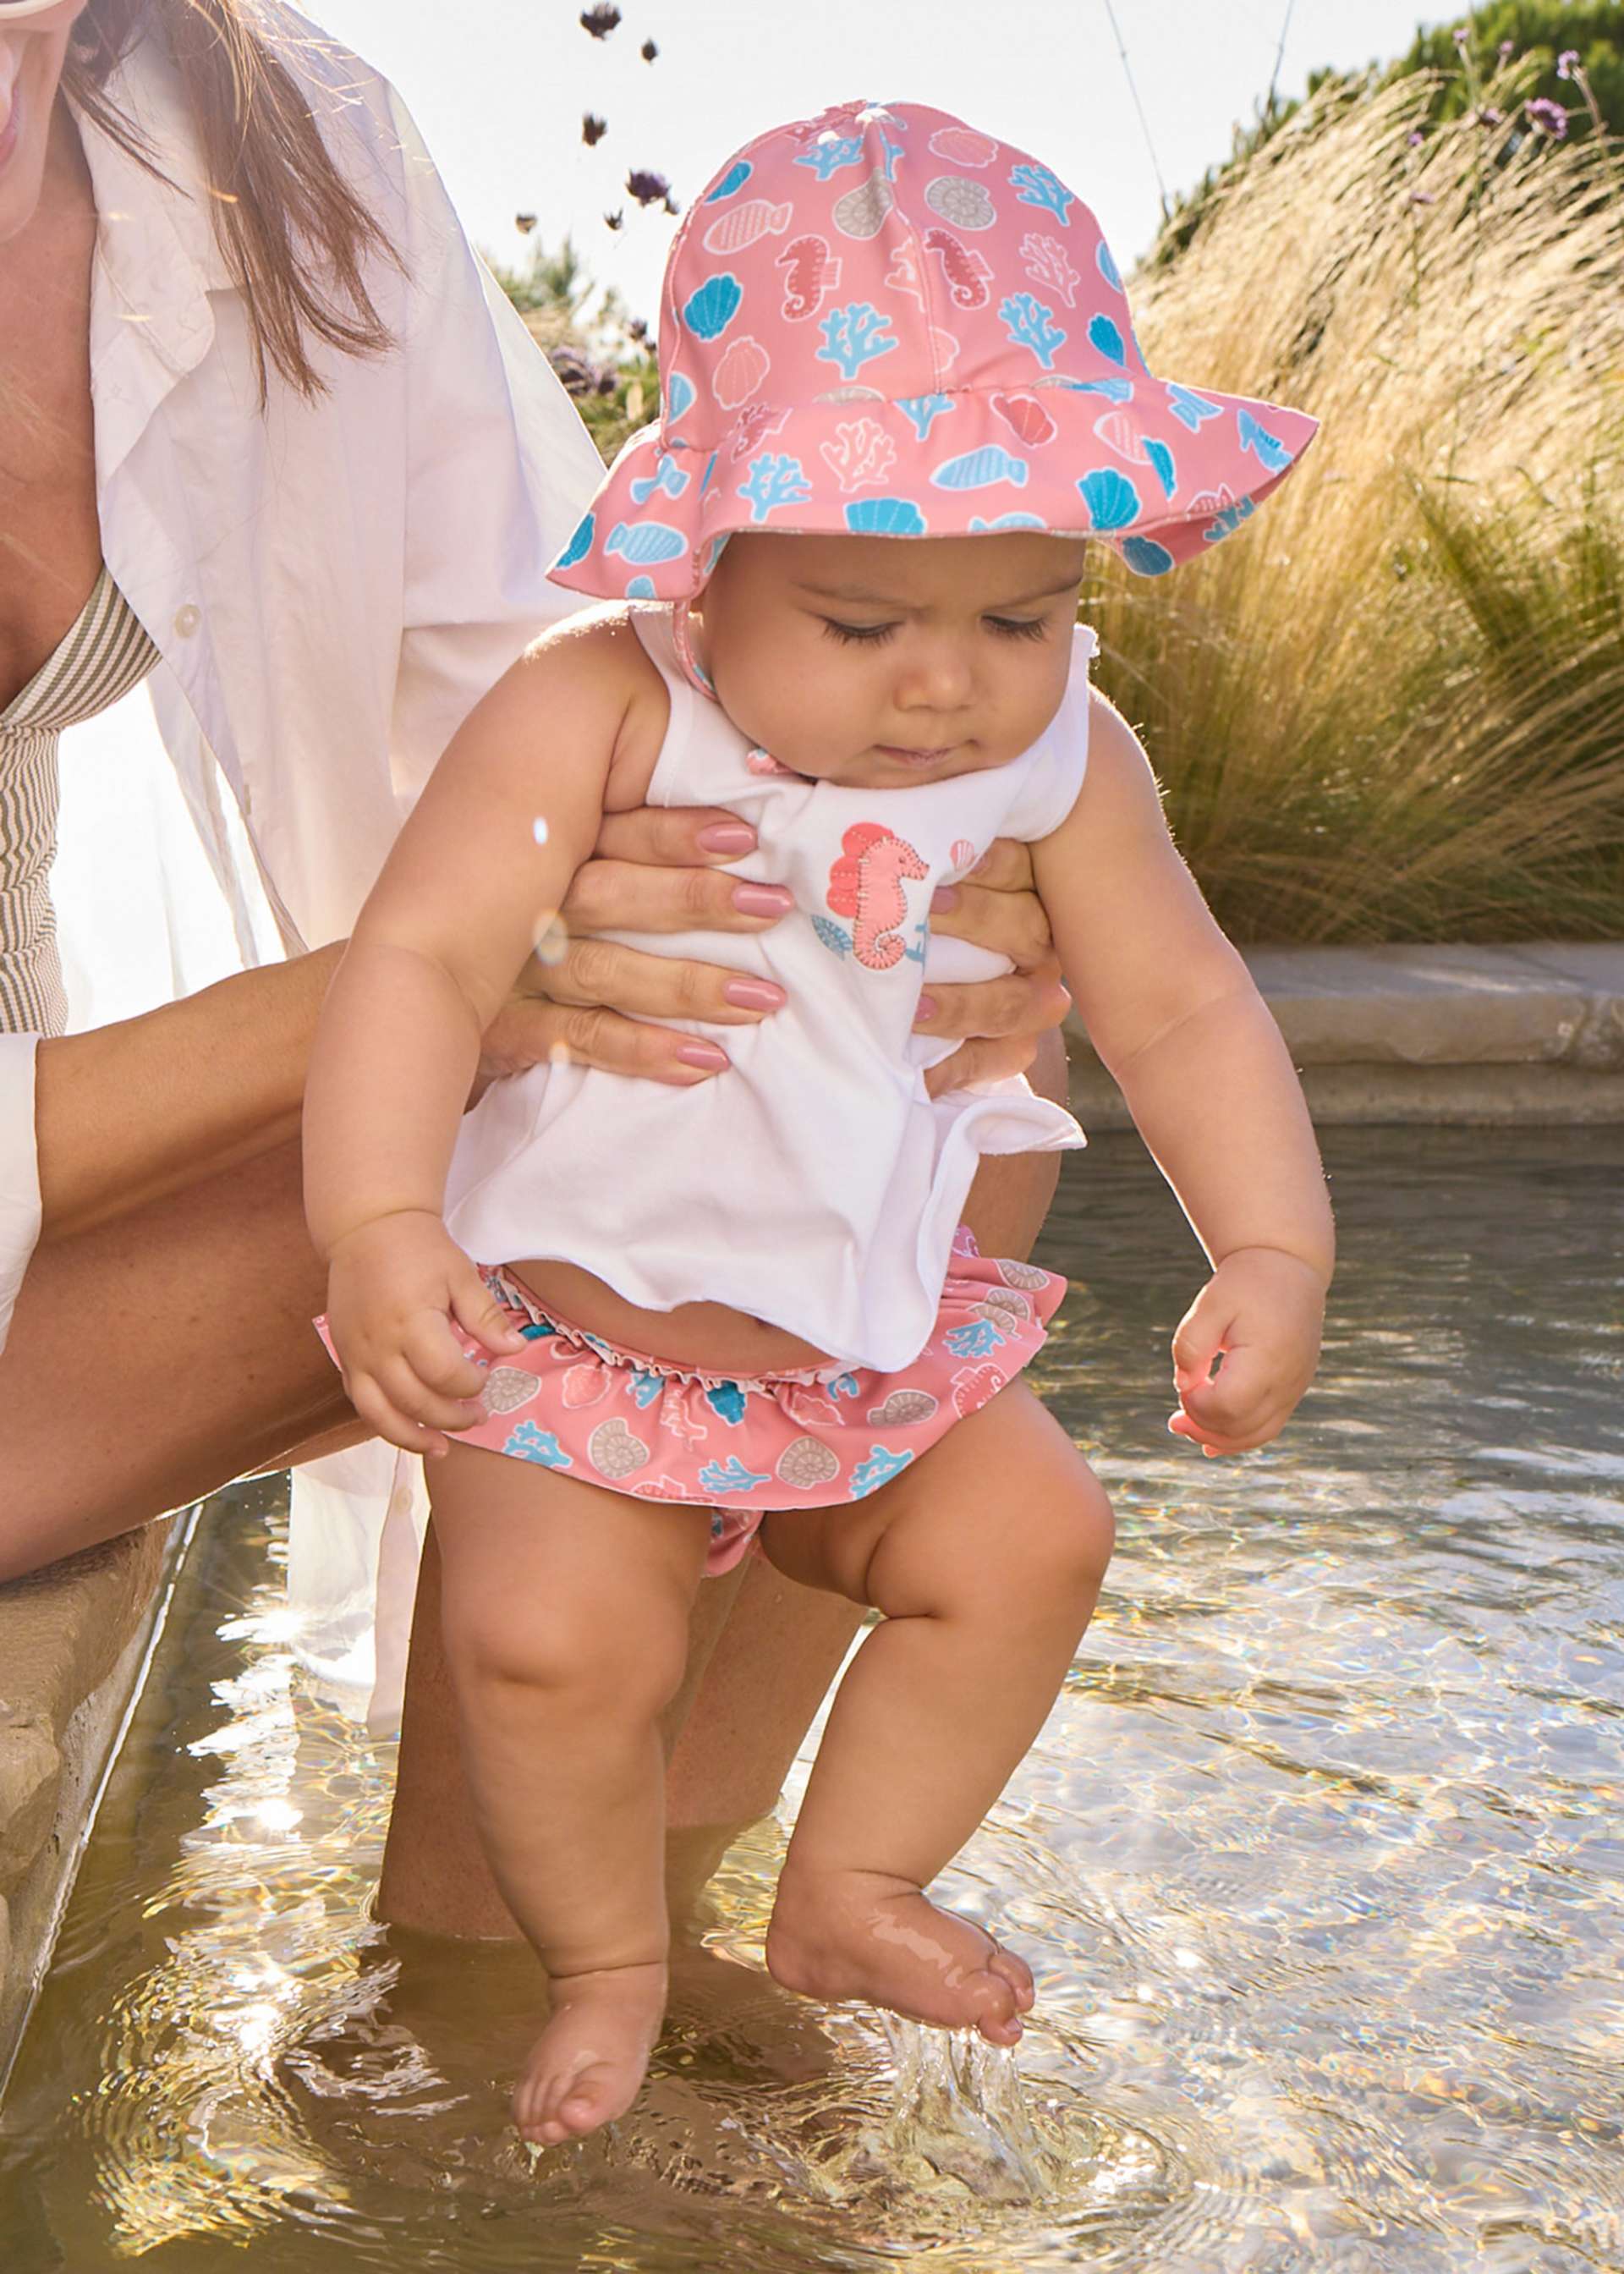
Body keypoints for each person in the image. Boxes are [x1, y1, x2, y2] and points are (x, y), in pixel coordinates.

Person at [304, 98, 1336, 2150]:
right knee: (544, 1649)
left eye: (1021, 613)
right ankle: (604, 1965)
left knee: (1040, 1537)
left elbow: (1185, 1003)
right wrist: (379, 1220)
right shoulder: (601, 706)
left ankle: (849, 1886)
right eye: (864, 623)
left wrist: (1273, 1245)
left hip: (863, 1361)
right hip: (581, 1360)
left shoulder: (1066, 758)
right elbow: (417, 960)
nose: (950, 685)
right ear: (708, 561)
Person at [0, 4, 1067, 1942]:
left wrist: (876, 877)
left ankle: (604, 1956)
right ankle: (502, 2002)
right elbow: (463, 947)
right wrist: (449, 981)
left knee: (887, 1048)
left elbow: (571, 688)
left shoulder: (255, 129)